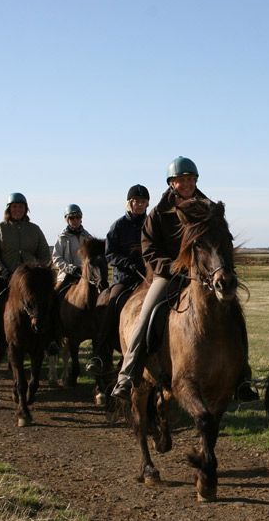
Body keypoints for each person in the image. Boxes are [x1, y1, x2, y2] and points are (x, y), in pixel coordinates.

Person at [111, 157, 259, 401]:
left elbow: (222, 239)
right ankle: (127, 375)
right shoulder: (158, 214)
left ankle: (243, 376)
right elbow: (148, 250)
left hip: (203, 275)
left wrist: (220, 266)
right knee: (146, 314)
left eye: (191, 179)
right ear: (172, 183)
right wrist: (172, 267)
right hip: (167, 275)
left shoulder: (209, 209)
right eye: (182, 180)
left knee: (234, 311)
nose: (187, 184)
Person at [0, 193, 51, 356]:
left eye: (21, 207)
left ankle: (51, 339)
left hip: (29, 279)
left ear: (26, 209)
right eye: (14, 207)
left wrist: (38, 270)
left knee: (51, 299)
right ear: (9, 209)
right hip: (4, 275)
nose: (18, 210)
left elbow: (45, 253)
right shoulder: (0, 228)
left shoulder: (35, 229)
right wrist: (3, 271)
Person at [85, 184, 149, 376]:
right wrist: (127, 263)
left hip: (147, 275)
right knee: (112, 303)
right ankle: (99, 353)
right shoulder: (119, 226)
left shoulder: (150, 224)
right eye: (136, 201)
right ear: (129, 203)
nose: (139, 205)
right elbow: (110, 254)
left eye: (143, 202)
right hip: (124, 277)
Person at [52, 203, 104, 294]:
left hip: (87, 276)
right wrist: (71, 268)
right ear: (67, 220)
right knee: (55, 296)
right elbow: (56, 258)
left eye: (78, 217)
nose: (75, 220)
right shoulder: (62, 238)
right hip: (67, 276)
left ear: (81, 219)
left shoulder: (88, 238)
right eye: (72, 218)